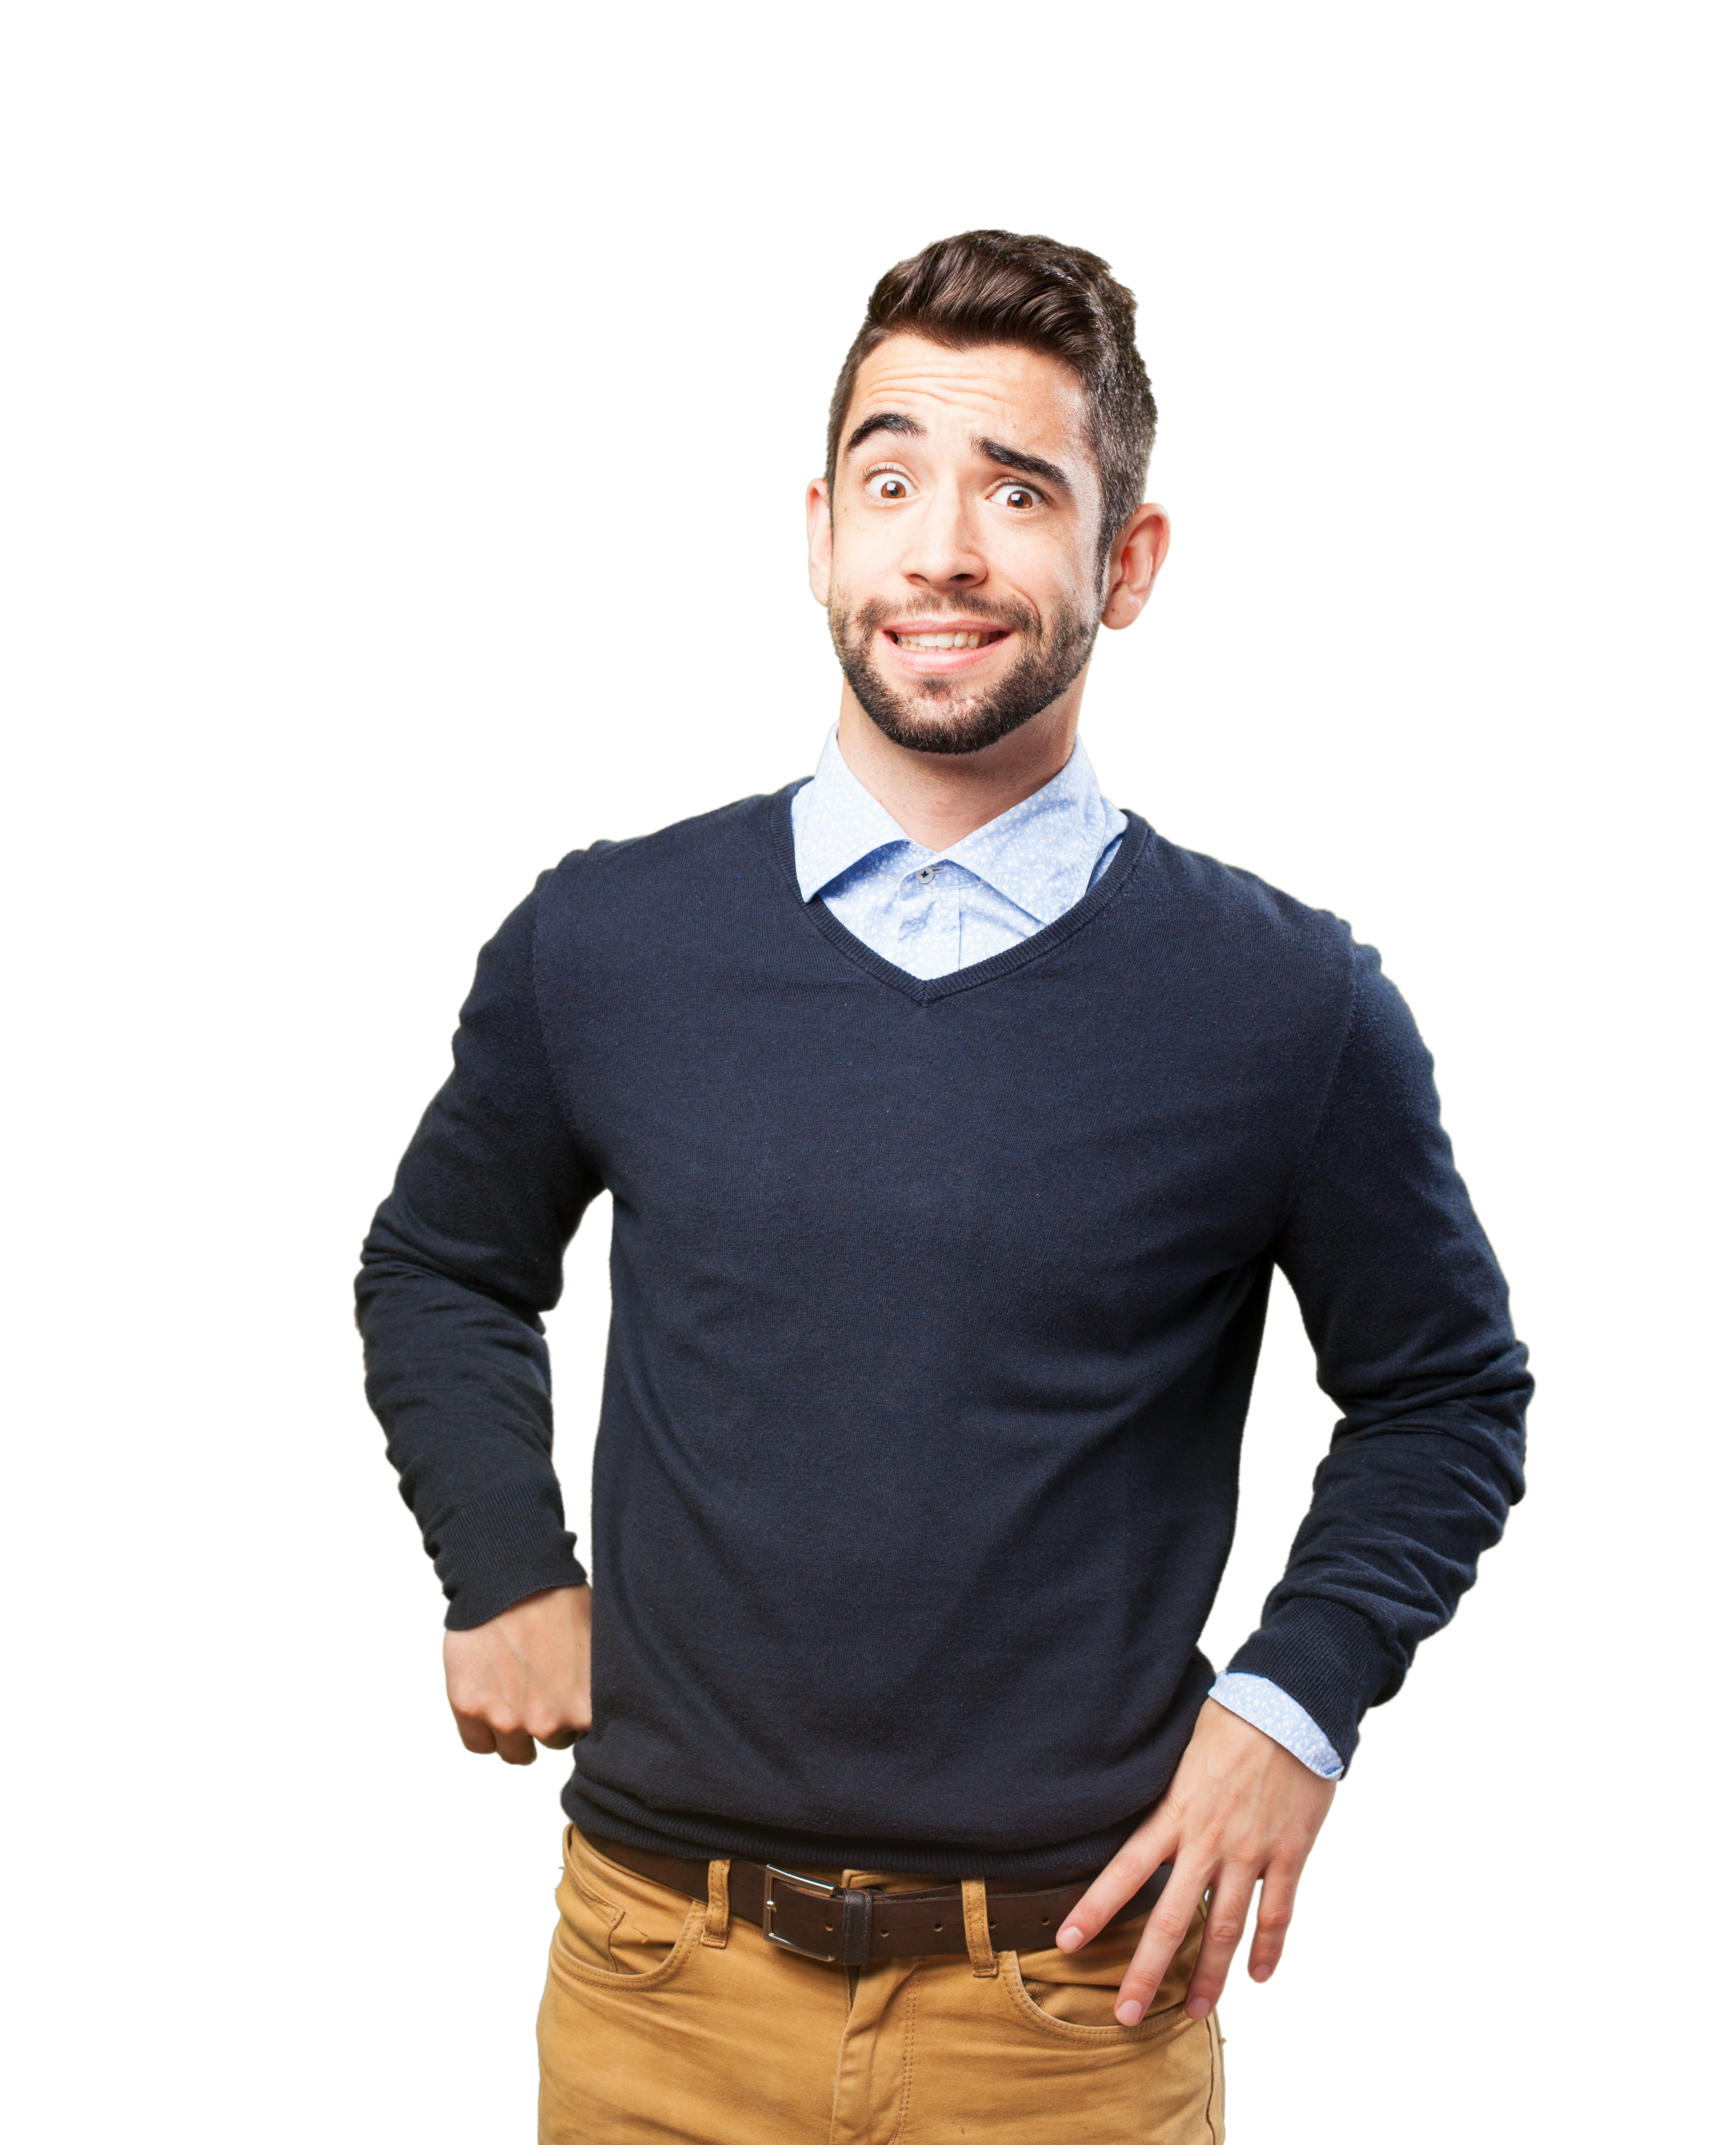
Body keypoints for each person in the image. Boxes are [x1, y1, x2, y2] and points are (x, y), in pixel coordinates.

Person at [354, 227, 1532, 2142]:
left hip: (1074, 2009)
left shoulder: (1288, 1001)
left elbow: (1446, 1392)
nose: (946, 551)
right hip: (652, 1985)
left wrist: (1290, 1711)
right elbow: (440, 1264)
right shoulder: (601, 937)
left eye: (1019, 491)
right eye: (892, 482)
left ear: (1126, 562)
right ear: (823, 536)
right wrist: (503, 1559)